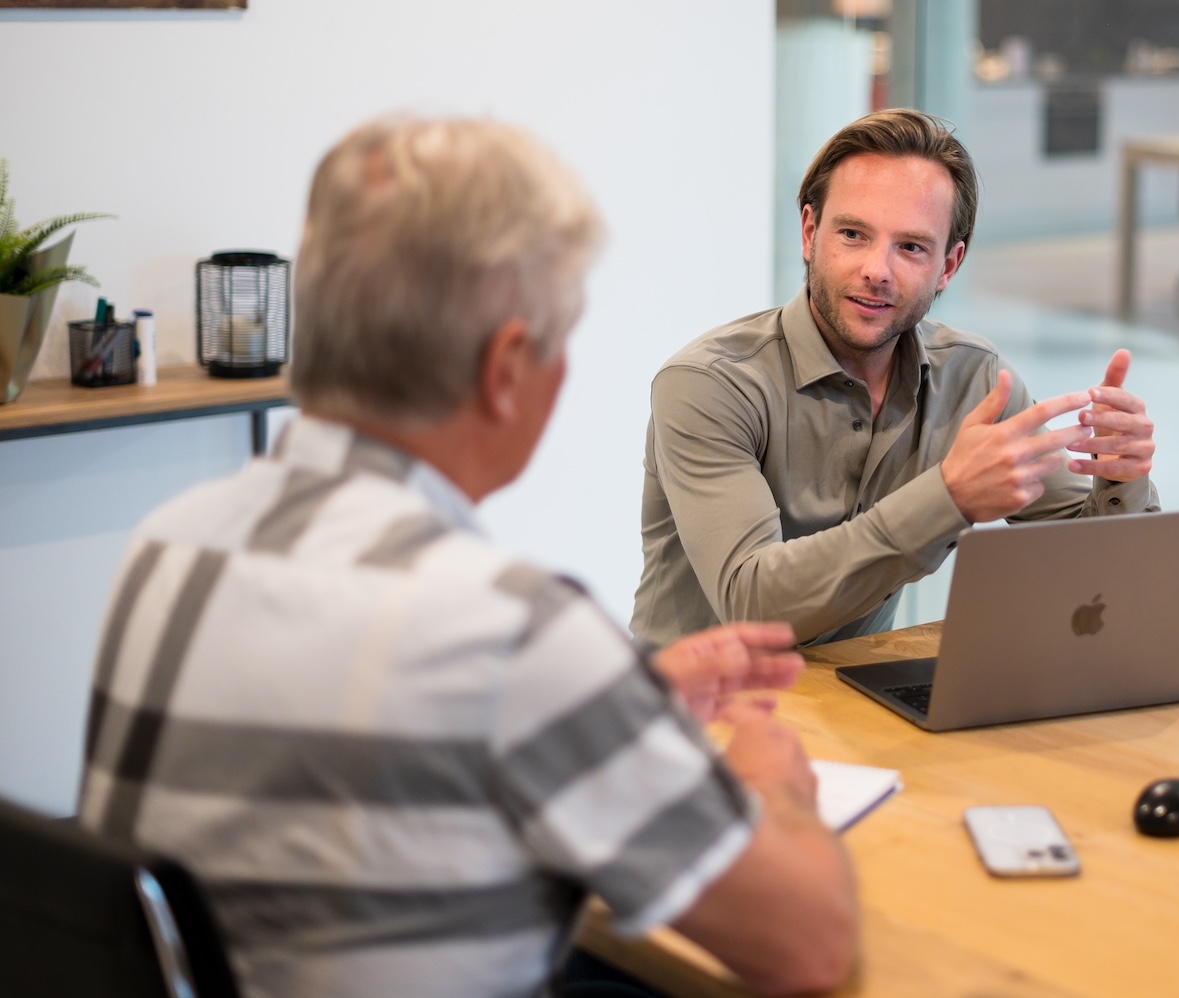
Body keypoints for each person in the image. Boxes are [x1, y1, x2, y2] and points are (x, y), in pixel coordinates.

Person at [76, 117, 856, 998]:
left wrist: (603, 716)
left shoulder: (170, 545)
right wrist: (768, 783)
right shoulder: (509, 631)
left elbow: (356, 747)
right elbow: (809, 945)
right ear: (506, 369)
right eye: (563, 341)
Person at [633, 109, 1160, 648]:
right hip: (693, 715)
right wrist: (947, 498)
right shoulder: (707, 385)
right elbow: (754, 604)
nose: (877, 271)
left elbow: (1098, 578)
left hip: (847, 704)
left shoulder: (974, 380)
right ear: (810, 232)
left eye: (911, 247)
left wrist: (1121, 477)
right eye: (854, 234)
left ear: (948, 267)